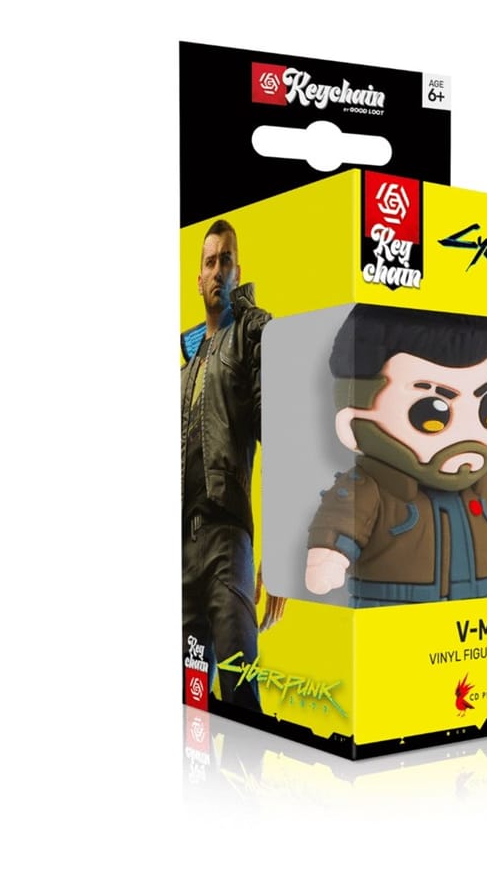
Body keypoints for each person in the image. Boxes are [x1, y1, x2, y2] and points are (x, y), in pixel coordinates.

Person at [305, 304, 487, 606]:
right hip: (392, 611)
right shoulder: (369, 488)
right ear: (353, 421)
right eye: (432, 414)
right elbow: (340, 522)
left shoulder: (484, 487)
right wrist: (328, 557)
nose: (467, 433)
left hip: (474, 614)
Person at [181, 219, 284, 711]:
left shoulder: (250, 334)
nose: (218, 269)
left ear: (238, 270)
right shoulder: (187, 367)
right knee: (190, 705)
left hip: (227, 542)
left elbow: (278, 434)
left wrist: (279, 554)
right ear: (198, 278)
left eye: (227, 259)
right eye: (210, 261)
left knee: (241, 699)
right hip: (182, 551)